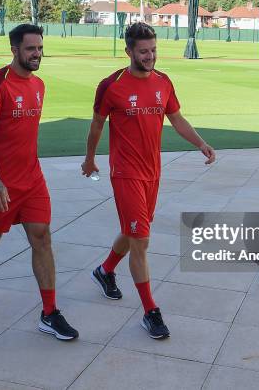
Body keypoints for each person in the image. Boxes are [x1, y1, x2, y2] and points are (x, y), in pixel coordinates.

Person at [81, 22, 216, 339]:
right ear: (129, 51)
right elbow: (97, 125)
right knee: (141, 239)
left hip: (153, 172)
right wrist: (89, 158)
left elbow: (177, 118)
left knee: (133, 232)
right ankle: (150, 311)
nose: (150, 56)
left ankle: (105, 271)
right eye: (143, 51)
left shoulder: (164, 82)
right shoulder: (111, 85)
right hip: (125, 173)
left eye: (154, 50)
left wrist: (200, 143)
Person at [0, 24, 78, 341]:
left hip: (32, 180)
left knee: (42, 238)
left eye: (40, 48)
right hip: (0, 183)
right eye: (30, 49)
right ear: (14, 50)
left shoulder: (39, 85)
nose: (37, 54)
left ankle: (49, 313)